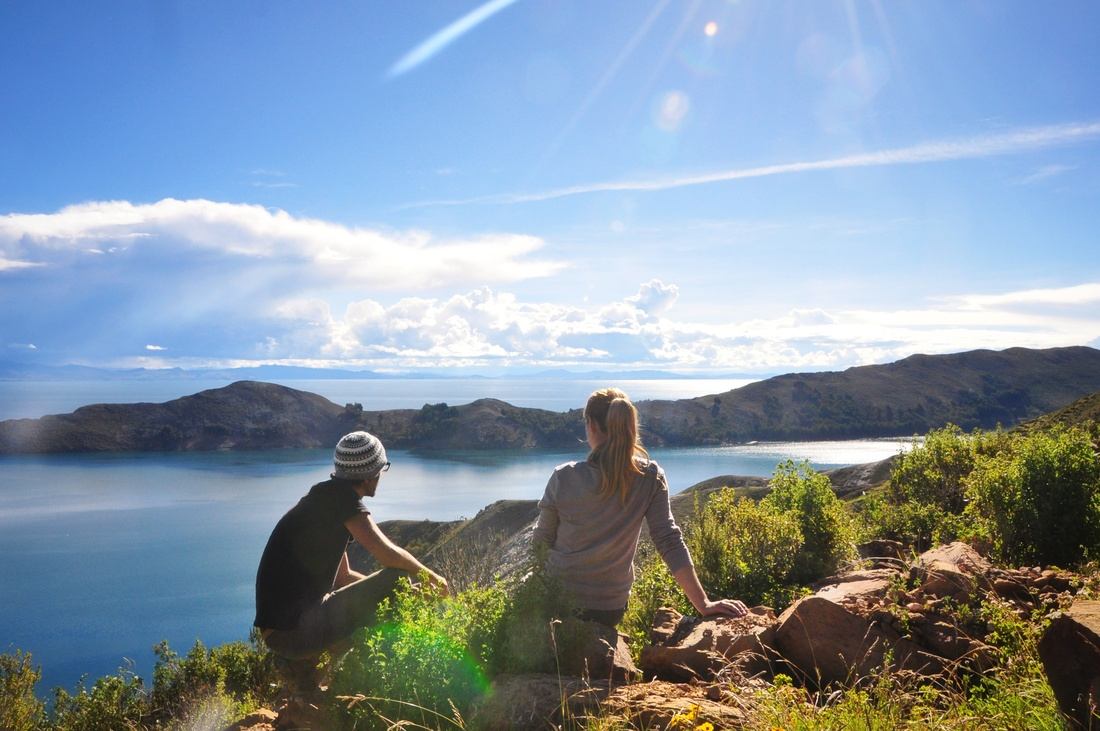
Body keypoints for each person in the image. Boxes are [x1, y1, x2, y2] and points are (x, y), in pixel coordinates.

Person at [532, 387, 747, 628]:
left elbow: (540, 543)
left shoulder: (564, 477)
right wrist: (704, 604)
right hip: (609, 608)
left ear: (591, 426)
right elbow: (669, 540)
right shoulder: (650, 477)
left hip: (557, 603)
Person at [254, 430, 448, 661]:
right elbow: (388, 555)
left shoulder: (323, 497)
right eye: (382, 469)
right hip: (295, 634)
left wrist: (401, 594)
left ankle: (312, 677)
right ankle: (391, 664)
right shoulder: (344, 503)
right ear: (370, 475)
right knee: (395, 577)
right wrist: (432, 579)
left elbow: (343, 577)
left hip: (279, 634)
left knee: (394, 588)